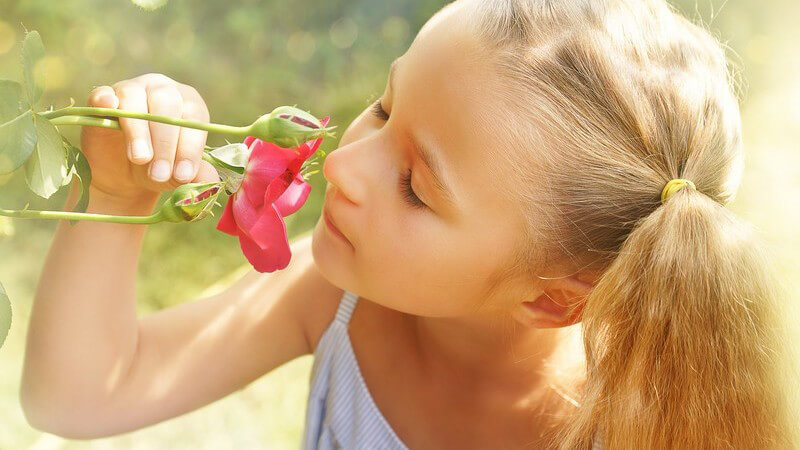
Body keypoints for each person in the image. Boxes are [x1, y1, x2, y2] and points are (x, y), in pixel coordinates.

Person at [20, 0, 798, 448]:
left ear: (555, 300)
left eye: (416, 189)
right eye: (385, 106)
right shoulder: (333, 299)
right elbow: (83, 394)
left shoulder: (627, 428)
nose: (346, 165)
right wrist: (120, 196)